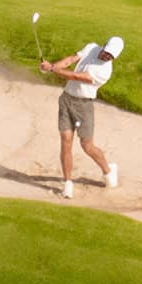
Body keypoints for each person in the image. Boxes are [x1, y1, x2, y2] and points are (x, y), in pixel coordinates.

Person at [42, 36, 123, 199]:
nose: (108, 57)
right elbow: (71, 60)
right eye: (107, 52)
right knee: (66, 140)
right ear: (104, 45)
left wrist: (53, 69)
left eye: (112, 56)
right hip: (66, 100)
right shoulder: (92, 47)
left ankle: (108, 170)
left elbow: (77, 77)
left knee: (87, 146)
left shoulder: (105, 70)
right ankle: (68, 184)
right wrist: (52, 66)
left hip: (83, 106)